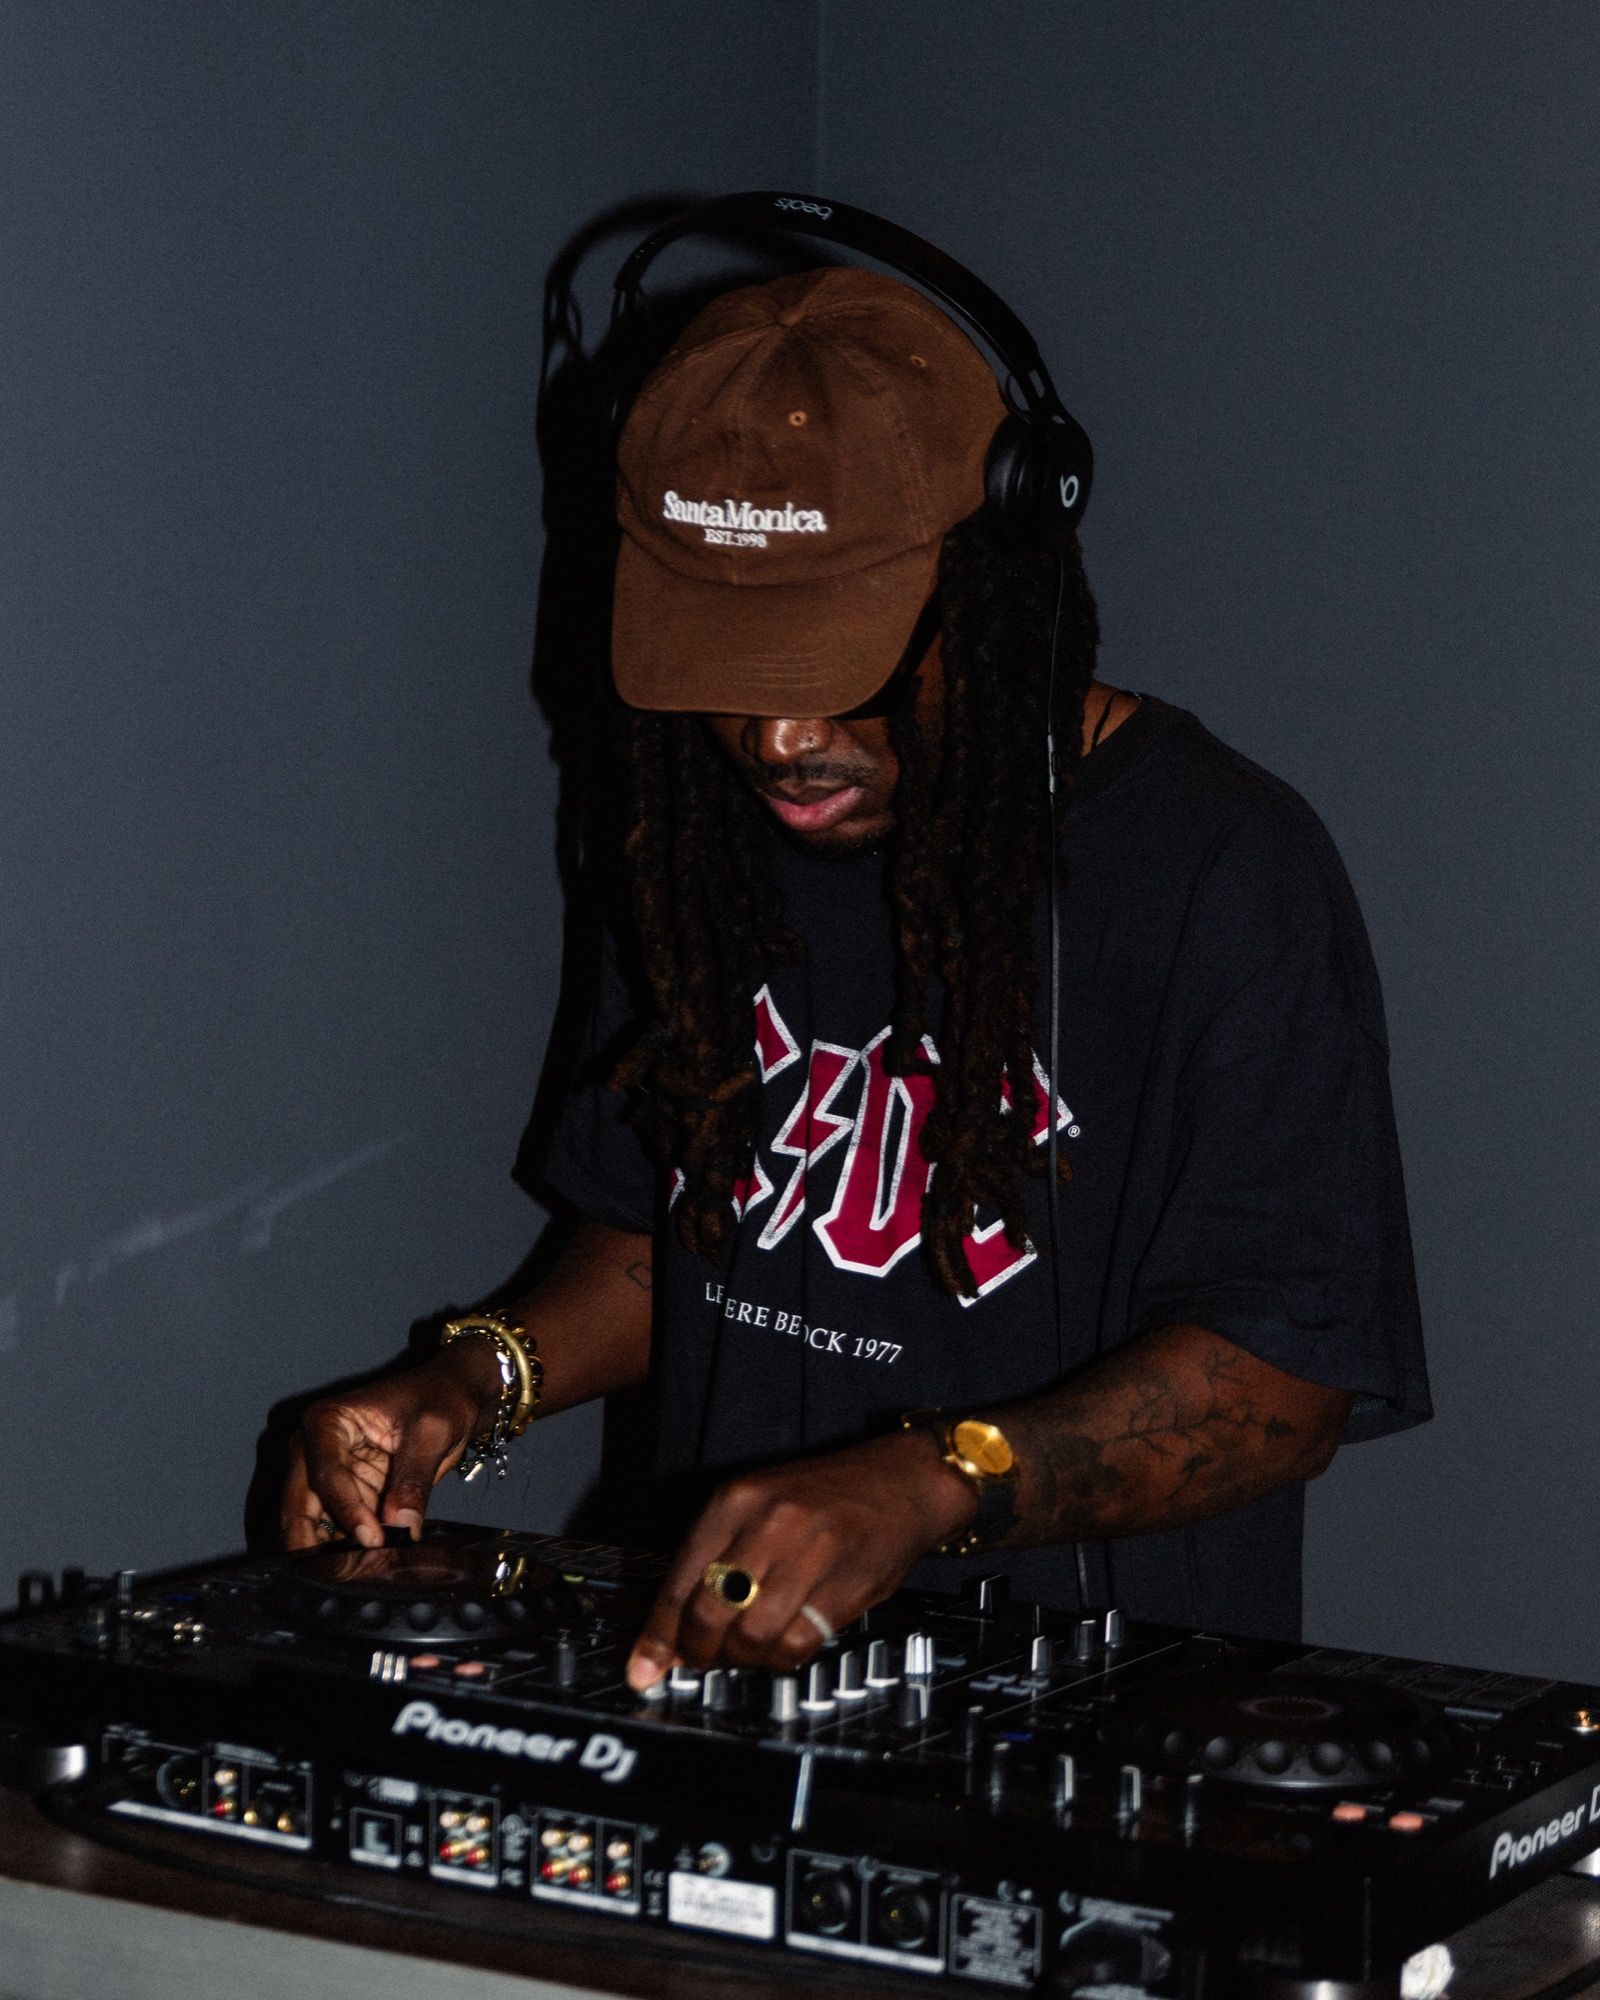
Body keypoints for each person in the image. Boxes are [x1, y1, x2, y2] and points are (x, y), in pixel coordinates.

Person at [281, 260, 1429, 1692]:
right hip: (717, 1679)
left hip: (1098, 1714)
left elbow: (1286, 1379)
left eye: (841, 669)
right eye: (728, 670)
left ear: (993, 590)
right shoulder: (696, 845)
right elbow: (677, 1230)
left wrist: (936, 1479)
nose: (777, 739)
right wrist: (479, 1375)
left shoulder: (1223, 866)